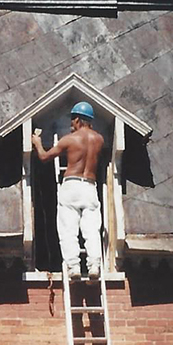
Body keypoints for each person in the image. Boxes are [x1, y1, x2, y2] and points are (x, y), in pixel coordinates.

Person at [31, 101, 105, 282]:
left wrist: (37, 143)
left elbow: (44, 158)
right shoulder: (99, 140)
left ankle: (73, 267)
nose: (71, 124)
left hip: (71, 185)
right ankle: (94, 265)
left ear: (78, 119)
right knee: (91, 230)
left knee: (68, 229)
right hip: (90, 187)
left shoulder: (69, 140)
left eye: (73, 120)